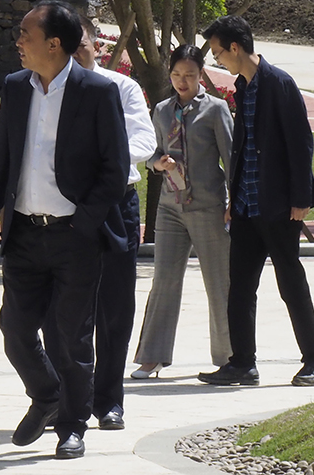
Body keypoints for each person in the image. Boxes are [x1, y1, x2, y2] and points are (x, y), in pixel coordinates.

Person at [0, 1, 129, 459]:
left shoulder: (97, 92)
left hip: (74, 236)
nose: (18, 41)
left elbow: (115, 169)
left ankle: (72, 425)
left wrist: (84, 223)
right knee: (15, 329)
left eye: (26, 34)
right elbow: (1, 157)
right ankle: (47, 395)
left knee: (72, 337)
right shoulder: (15, 87)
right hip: (23, 232)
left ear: (54, 44)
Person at [197, 16, 314, 387]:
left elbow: (301, 143)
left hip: (279, 205)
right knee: (239, 287)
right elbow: (243, 148)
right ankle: (242, 364)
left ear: (235, 47)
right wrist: (233, 198)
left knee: (291, 283)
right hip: (245, 206)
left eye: (218, 53)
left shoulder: (279, 83)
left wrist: (300, 198)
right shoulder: (243, 87)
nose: (217, 60)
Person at [43, 18, 156, 431]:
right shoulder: (46, 91)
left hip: (114, 204)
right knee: (62, 309)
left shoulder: (121, 88)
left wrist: (103, 155)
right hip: (65, 206)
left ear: (97, 47)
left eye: (83, 48)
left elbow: (145, 140)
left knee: (114, 307)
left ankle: (109, 401)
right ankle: (67, 398)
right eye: (68, 49)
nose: (76, 56)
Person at [132, 44, 233, 379]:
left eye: (189, 75)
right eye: (176, 74)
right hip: (170, 207)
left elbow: (231, 158)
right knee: (164, 280)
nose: (182, 81)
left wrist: (234, 203)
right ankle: (152, 356)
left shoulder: (216, 109)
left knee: (219, 282)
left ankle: (230, 357)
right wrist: (157, 163)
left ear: (201, 74)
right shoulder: (162, 110)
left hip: (208, 206)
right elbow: (151, 152)